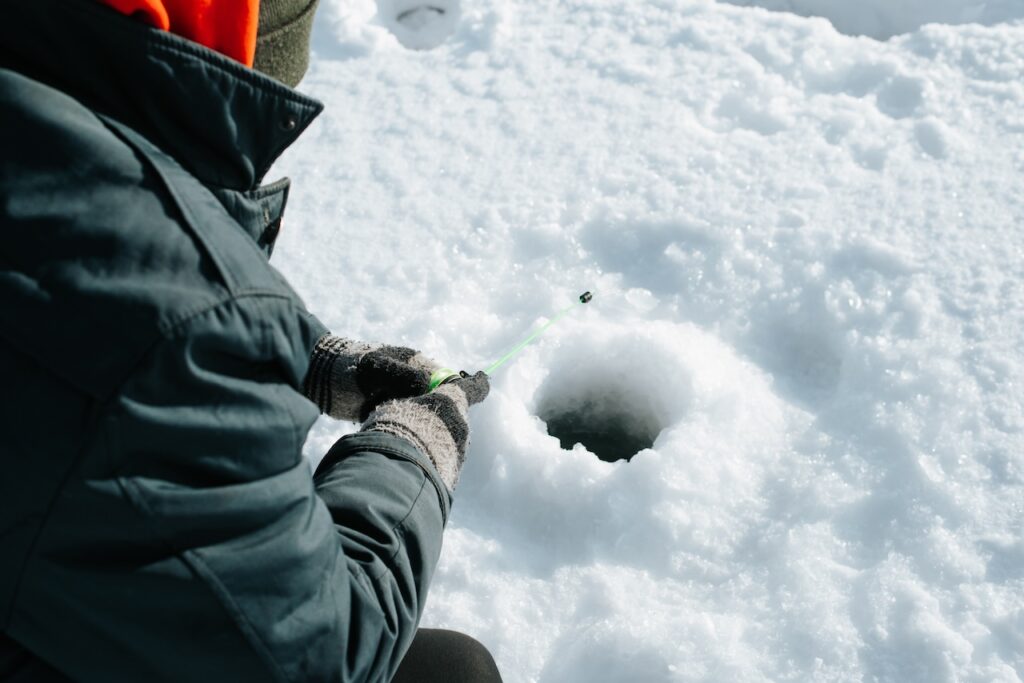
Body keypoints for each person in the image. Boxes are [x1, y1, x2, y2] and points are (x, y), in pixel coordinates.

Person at [0, 0, 502, 681]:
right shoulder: (168, 311)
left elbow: (72, 342)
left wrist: (297, 360)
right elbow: (318, 655)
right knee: (455, 672)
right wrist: (412, 448)